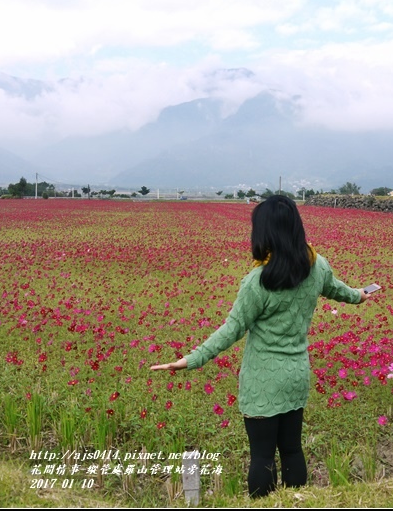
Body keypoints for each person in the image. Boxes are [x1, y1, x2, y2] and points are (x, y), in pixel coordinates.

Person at [151, 195, 371, 498]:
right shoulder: (316, 265)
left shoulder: (258, 281)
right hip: (296, 375)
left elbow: (232, 329)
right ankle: (299, 504)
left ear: (264, 232)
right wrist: (360, 295)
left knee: (263, 457)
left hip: (263, 382)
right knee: (293, 451)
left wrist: (190, 359)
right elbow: (339, 290)